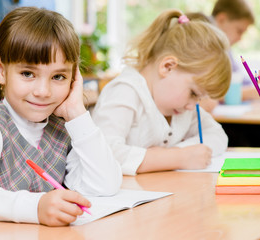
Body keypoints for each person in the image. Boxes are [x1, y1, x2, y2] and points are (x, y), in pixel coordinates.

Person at [0, 7, 122, 226]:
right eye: (27, 74)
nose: (43, 91)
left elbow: (105, 185)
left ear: (74, 78)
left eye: (59, 76)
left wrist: (77, 114)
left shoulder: (63, 128)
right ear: (1, 70)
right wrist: (35, 207)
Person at [91, 10, 231, 175]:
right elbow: (101, 155)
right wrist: (176, 158)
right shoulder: (125, 92)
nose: (193, 106)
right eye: (193, 93)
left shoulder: (183, 108)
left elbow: (218, 136)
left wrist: (179, 153)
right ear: (168, 67)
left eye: (199, 98)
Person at [189, 0, 255, 111]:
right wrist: (251, 92)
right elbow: (211, 91)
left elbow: (236, 77)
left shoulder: (224, 48)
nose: (240, 38)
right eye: (239, 31)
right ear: (222, 19)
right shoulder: (204, 38)